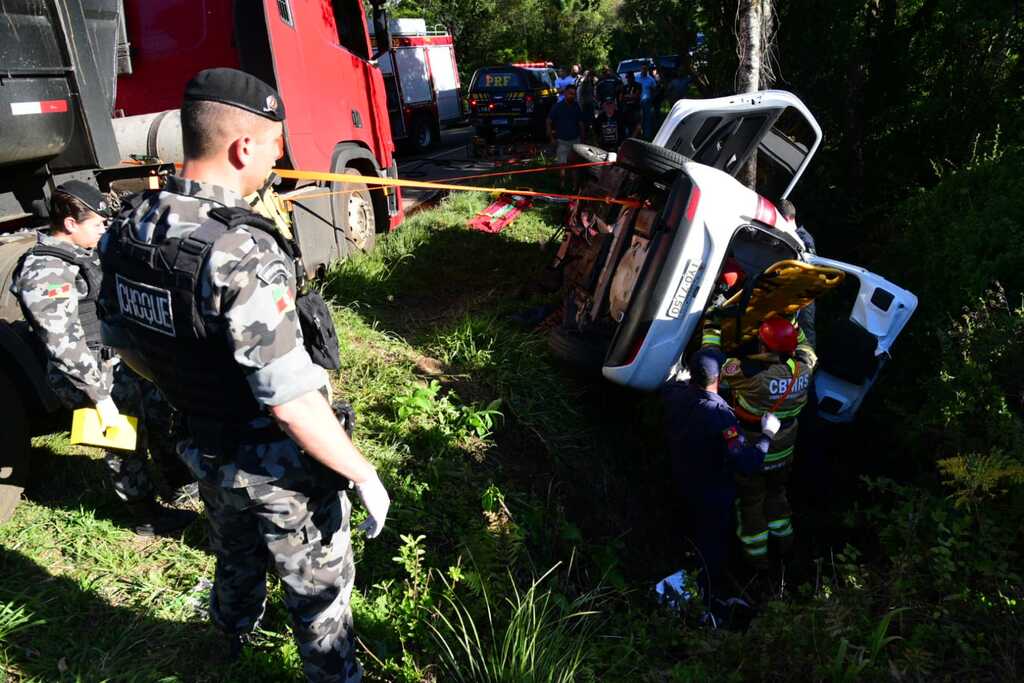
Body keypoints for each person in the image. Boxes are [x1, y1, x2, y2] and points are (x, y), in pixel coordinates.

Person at [98, 68, 391, 682]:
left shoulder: (127, 230)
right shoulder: (239, 252)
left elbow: (121, 341)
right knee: (319, 592)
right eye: (276, 146)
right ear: (243, 147)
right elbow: (290, 400)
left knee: (233, 549)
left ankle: (228, 639)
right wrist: (361, 472)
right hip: (276, 464)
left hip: (202, 442)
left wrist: (189, 385)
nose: (277, 162)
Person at [10, 181, 195, 536]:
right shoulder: (44, 272)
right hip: (90, 372)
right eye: (96, 224)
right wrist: (98, 397)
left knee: (159, 414)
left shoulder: (83, 253)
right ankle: (145, 515)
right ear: (69, 225)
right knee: (123, 443)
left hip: (120, 360)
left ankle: (178, 480)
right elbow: (62, 343)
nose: (103, 230)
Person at [662, 349, 780, 626]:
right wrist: (768, 434)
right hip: (711, 496)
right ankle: (704, 606)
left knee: (689, 540)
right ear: (718, 377)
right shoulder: (719, 416)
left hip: (681, 485)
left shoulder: (675, 395)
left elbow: (674, 386)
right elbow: (747, 462)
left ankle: (693, 584)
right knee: (710, 550)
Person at [702, 316, 816, 568]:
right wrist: (791, 318)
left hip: (755, 453)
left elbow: (711, 364)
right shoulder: (805, 368)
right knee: (777, 495)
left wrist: (712, 324)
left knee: (750, 504)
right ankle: (785, 548)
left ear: (762, 347)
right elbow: (805, 346)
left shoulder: (752, 375)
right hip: (785, 452)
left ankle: (757, 563)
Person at [546, 84, 586, 187]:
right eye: (570, 93)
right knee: (562, 165)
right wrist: (551, 138)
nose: (572, 96)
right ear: (565, 93)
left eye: (574, 94)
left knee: (575, 165)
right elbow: (548, 121)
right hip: (562, 140)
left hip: (575, 140)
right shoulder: (558, 106)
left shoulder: (576, 106)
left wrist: (583, 139)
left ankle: (575, 186)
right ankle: (562, 186)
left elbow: (581, 123)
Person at [636, 63, 659, 139]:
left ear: (647, 70)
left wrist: (652, 98)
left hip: (647, 101)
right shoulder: (637, 77)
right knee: (638, 118)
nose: (644, 71)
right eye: (643, 69)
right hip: (637, 100)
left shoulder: (651, 79)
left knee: (647, 118)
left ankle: (647, 136)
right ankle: (638, 135)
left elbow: (655, 90)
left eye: (646, 69)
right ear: (641, 70)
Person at [620, 71, 642, 136]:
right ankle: (629, 138)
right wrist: (630, 96)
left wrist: (626, 96)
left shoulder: (638, 85)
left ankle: (636, 138)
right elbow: (621, 98)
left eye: (630, 77)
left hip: (636, 109)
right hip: (626, 109)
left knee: (637, 125)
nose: (629, 79)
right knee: (627, 125)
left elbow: (636, 96)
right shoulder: (624, 87)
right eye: (628, 78)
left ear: (633, 78)